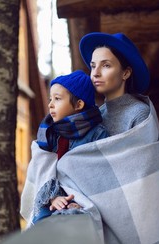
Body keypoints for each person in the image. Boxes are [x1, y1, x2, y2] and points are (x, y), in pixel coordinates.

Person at [21, 32, 159, 244]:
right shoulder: (92, 118)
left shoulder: (139, 114)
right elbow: (78, 163)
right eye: (93, 65)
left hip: (129, 214)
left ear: (125, 72)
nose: (95, 72)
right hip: (88, 214)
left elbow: (139, 172)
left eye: (106, 65)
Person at [32, 70, 109, 224]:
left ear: (78, 104)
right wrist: (53, 197)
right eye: (50, 99)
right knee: (42, 219)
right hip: (56, 198)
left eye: (57, 99)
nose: (50, 104)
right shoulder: (50, 133)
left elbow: (101, 176)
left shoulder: (97, 134)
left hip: (86, 201)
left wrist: (79, 201)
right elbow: (45, 171)